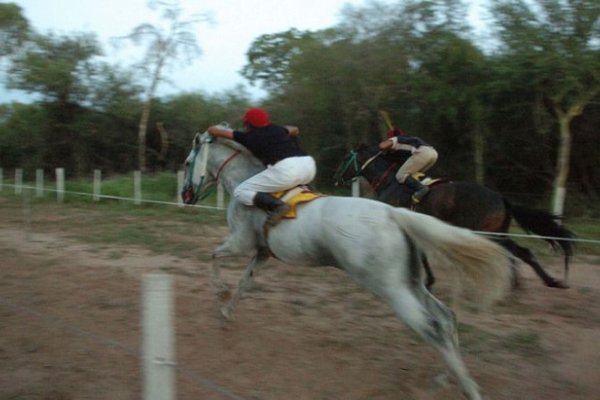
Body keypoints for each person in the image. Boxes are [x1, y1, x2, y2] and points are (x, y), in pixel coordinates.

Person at [206, 107, 316, 228]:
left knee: (240, 191)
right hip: (309, 165)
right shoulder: (279, 129)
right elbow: (295, 129)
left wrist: (210, 130)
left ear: (248, 124)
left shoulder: (248, 137)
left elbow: (214, 131)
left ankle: (277, 206)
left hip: (287, 170)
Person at [378, 127, 438, 203]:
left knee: (400, 175)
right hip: (433, 153)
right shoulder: (407, 139)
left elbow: (382, 146)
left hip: (423, 152)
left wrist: (383, 146)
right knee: (412, 175)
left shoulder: (395, 139)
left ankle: (421, 188)